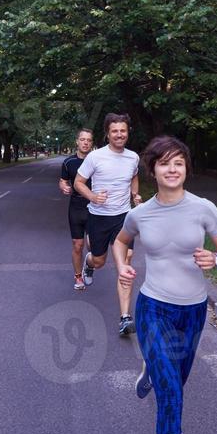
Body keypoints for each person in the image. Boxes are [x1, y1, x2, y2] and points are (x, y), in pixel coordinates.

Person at [110, 134, 217, 434]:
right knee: (171, 398)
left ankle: (151, 371)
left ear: (186, 168)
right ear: (153, 170)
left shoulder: (204, 209)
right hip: (153, 308)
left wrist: (214, 259)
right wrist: (122, 266)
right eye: (164, 163)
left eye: (178, 162)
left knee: (175, 380)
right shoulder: (140, 214)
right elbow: (120, 242)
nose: (172, 168)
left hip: (193, 312)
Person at [74, 113, 141, 337]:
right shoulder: (96, 157)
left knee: (126, 261)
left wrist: (135, 194)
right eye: (115, 131)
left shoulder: (133, 157)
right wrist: (92, 197)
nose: (119, 134)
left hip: (124, 217)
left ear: (127, 132)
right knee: (100, 260)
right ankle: (89, 262)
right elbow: (78, 182)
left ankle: (125, 317)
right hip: (99, 217)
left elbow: (134, 176)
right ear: (108, 133)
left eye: (123, 130)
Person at [58, 129, 96, 290]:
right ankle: (78, 277)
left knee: (93, 246)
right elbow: (63, 180)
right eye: (82, 139)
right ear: (77, 141)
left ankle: (89, 264)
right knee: (77, 244)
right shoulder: (68, 162)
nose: (85, 142)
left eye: (88, 140)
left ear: (91, 143)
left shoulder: (97, 161)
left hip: (94, 207)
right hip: (76, 206)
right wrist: (64, 187)